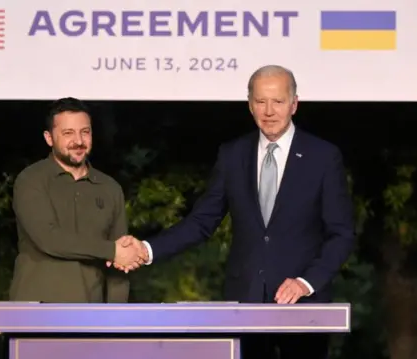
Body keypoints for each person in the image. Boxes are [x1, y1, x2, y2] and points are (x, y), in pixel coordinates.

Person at [108, 65, 355, 358]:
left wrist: (306, 282)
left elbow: (341, 234)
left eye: (277, 101)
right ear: (250, 106)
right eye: (261, 102)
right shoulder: (232, 154)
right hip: (245, 304)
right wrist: (146, 249)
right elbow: (201, 221)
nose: (269, 110)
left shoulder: (324, 157)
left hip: (304, 307)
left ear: (294, 104)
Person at [8, 97, 144, 303]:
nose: (78, 141)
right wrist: (111, 251)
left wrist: (116, 321)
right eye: (68, 133)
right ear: (49, 138)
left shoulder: (110, 188)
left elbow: (119, 267)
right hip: (35, 313)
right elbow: (49, 238)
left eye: (85, 132)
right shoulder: (31, 180)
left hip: (91, 316)